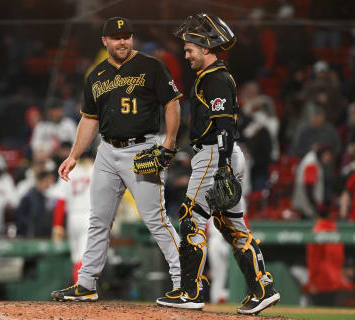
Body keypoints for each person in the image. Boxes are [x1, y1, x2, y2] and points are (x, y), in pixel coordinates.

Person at [51, 16, 182, 302]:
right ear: (105, 41)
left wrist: (169, 142)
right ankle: (86, 283)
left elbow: (172, 102)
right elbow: (89, 119)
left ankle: (183, 280)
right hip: (107, 151)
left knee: (155, 218)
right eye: (116, 37)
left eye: (127, 36)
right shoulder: (96, 75)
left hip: (143, 149)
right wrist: (74, 155)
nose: (123, 41)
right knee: (98, 219)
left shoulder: (151, 66)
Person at [155, 14, 280, 315]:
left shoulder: (215, 78)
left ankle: (190, 291)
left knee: (191, 217)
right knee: (231, 225)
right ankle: (262, 288)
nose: (185, 56)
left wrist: (222, 165)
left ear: (206, 46)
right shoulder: (213, 77)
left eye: (189, 50)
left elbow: (224, 125)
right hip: (219, 153)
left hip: (215, 153)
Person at [51, 152, 94, 283]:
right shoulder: (95, 169)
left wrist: (57, 224)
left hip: (72, 218)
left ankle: (79, 286)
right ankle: (82, 288)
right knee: (84, 257)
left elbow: (60, 201)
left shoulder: (68, 170)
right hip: (89, 216)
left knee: (76, 257)